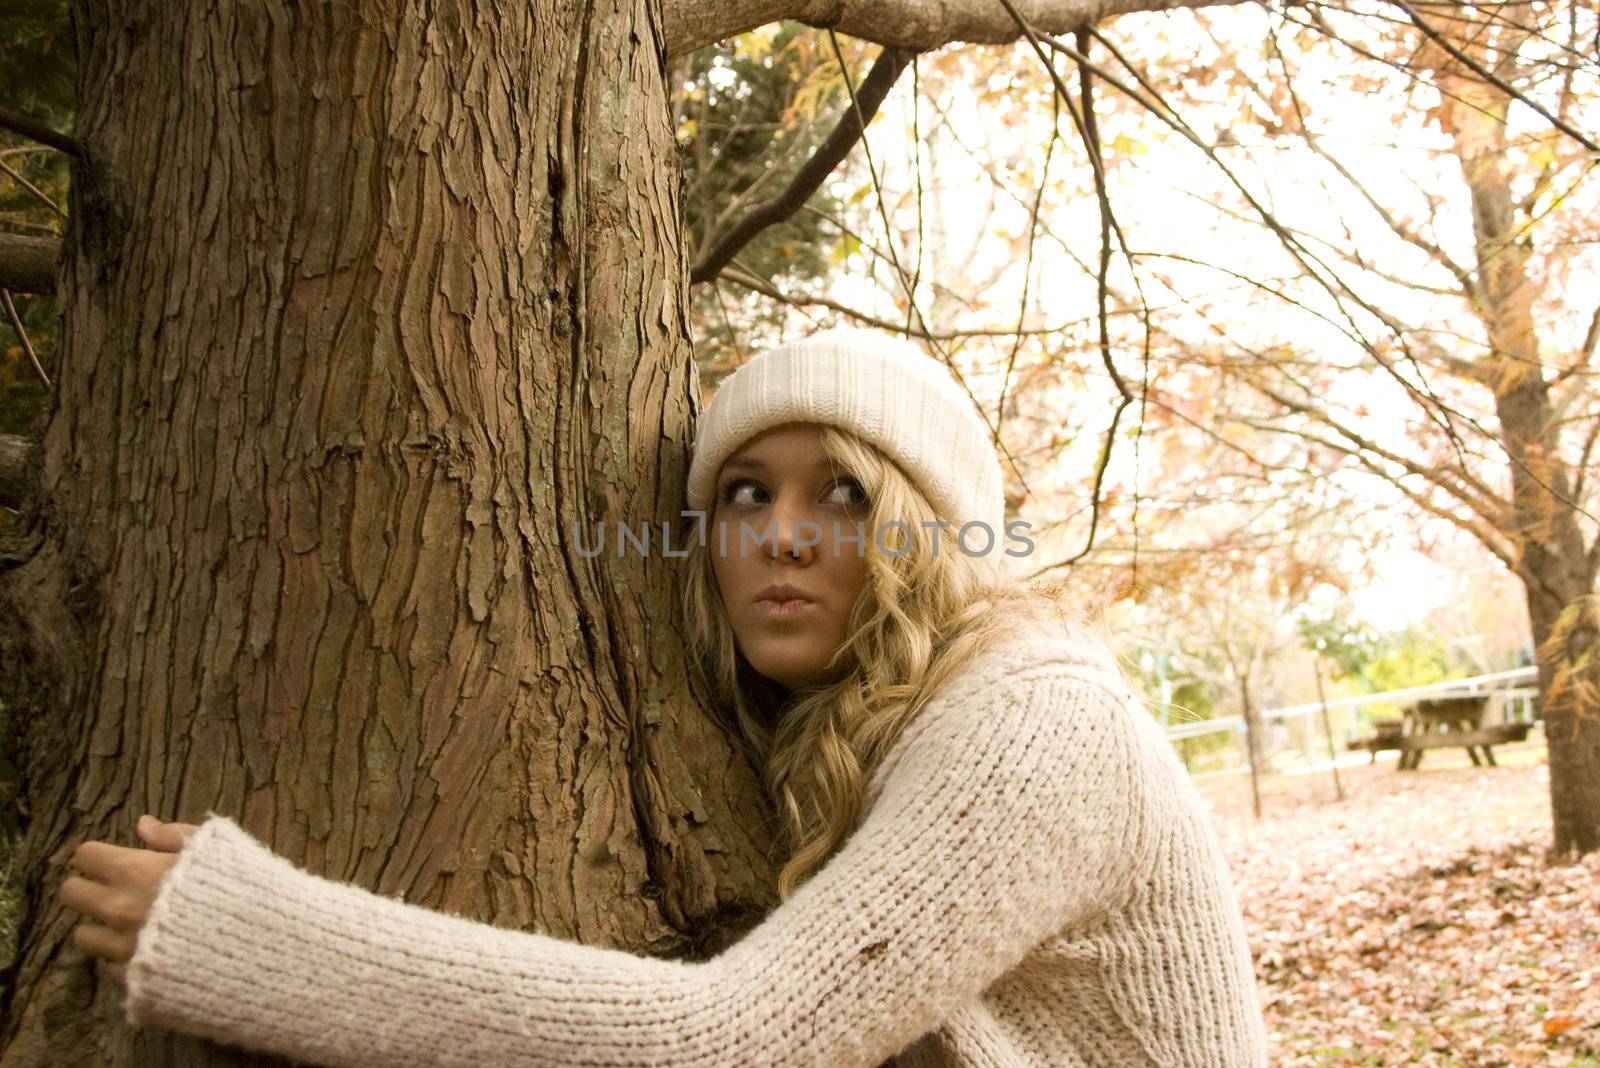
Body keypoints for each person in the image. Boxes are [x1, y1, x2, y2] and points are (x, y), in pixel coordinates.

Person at [57, 327, 1268, 1066]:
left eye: (840, 492)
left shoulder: (1031, 720)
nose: (781, 536)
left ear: (922, 530)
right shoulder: (856, 727)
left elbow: (734, 1041)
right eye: (743, 493)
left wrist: (248, 937)